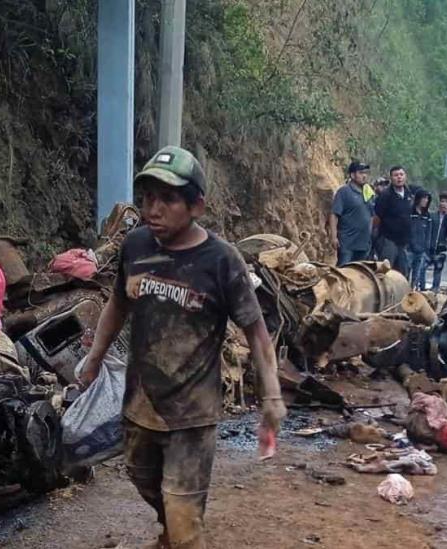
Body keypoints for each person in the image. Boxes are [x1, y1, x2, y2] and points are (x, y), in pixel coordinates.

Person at [79, 146, 286, 549]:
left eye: (168, 199)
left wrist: (272, 394)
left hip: (193, 415)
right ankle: (171, 532)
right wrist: (94, 359)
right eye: (148, 198)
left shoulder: (222, 261)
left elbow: (257, 332)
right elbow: (118, 305)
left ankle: (179, 533)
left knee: (184, 519)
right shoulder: (136, 247)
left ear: (197, 206)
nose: (153, 209)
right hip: (141, 405)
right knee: (143, 478)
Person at [329, 161, 374, 266]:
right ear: (352, 175)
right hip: (347, 243)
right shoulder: (344, 192)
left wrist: (369, 236)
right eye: (361, 173)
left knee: (360, 274)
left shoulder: (369, 193)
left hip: (363, 244)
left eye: (366, 173)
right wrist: (333, 237)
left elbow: (371, 216)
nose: (364, 176)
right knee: (344, 272)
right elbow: (334, 214)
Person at [374, 166, 415, 275]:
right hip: (388, 240)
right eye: (396, 175)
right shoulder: (385, 196)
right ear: (391, 178)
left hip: (403, 242)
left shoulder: (409, 194)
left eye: (401, 175)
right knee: (385, 271)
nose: (399, 178)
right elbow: (377, 217)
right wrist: (375, 237)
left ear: (405, 176)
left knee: (402, 273)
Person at [428, 191, 447, 291]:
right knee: (422, 267)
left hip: (442, 248)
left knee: (438, 269)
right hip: (429, 246)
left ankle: (435, 289)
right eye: (442, 201)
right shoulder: (432, 216)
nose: (444, 204)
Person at [409, 189, 432, 290]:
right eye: (424, 198)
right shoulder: (410, 212)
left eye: (427, 198)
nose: (425, 200)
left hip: (421, 250)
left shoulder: (427, 216)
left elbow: (428, 234)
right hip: (409, 249)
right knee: (406, 272)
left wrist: (426, 249)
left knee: (416, 276)